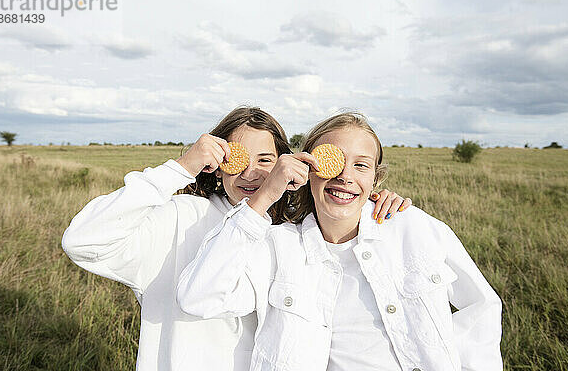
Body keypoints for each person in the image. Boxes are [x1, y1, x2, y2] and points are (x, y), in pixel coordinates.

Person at [61, 107, 411, 371]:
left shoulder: (292, 234)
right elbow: (82, 241)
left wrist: (371, 205)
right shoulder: (180, 218)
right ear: (215, 161)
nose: (250, 173)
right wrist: (181, 167)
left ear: (286, 165)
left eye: (265, 160)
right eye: (236, 158)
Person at [177, 112, 503, 371]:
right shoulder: (277, 247)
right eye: (333, 161)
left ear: (376, 177)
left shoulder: (413, 227)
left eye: (361, 165)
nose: (345, 176)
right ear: (307, 170)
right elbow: (198, 298)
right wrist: (265, 196)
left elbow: (482, 306)